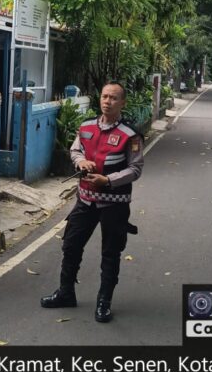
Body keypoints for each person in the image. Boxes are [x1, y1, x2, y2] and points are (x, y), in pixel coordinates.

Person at [41, 82, 144, 323]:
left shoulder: (131, 134)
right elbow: (75, 150)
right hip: (85, 200)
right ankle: (66, 292)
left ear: (122, 103)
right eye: (105, 96)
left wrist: (107, 180)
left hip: (114, 204)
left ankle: (103, 302)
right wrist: (80, 162)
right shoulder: (86, 126)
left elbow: (135, 169)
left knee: (110, 253)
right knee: (70, 245)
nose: (107, 101)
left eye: (114, 98)